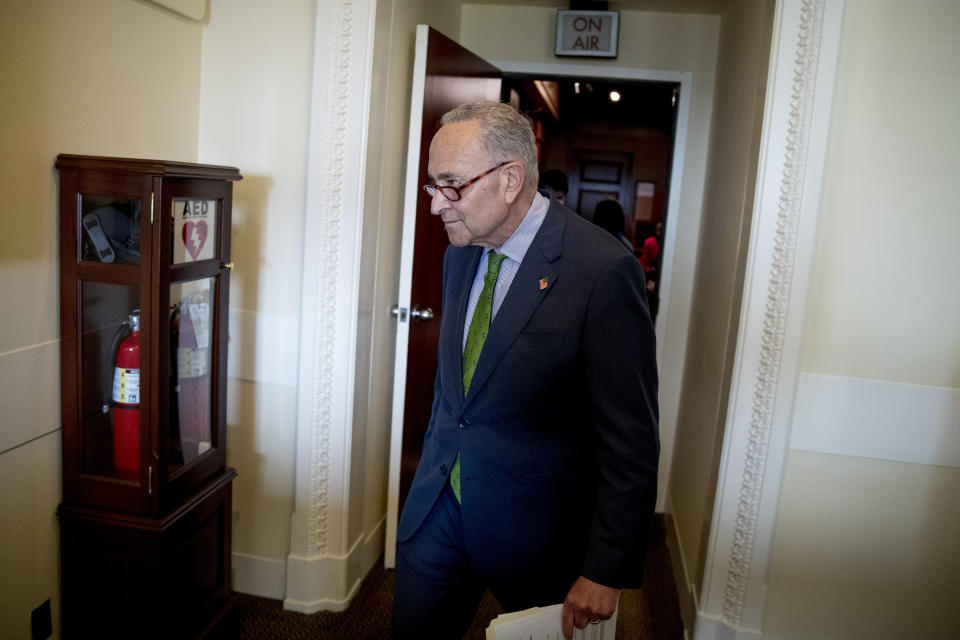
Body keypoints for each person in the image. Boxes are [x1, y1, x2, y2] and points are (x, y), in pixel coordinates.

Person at [392, 101, 659, 640]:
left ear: (511, 179)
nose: (436, 205)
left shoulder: (602, 270)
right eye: (432, 186)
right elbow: (456, 391)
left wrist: (604, 566)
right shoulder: (459, 252)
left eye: (451, 185)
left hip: (538, 531)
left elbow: (630, 438)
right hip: (439, 508)